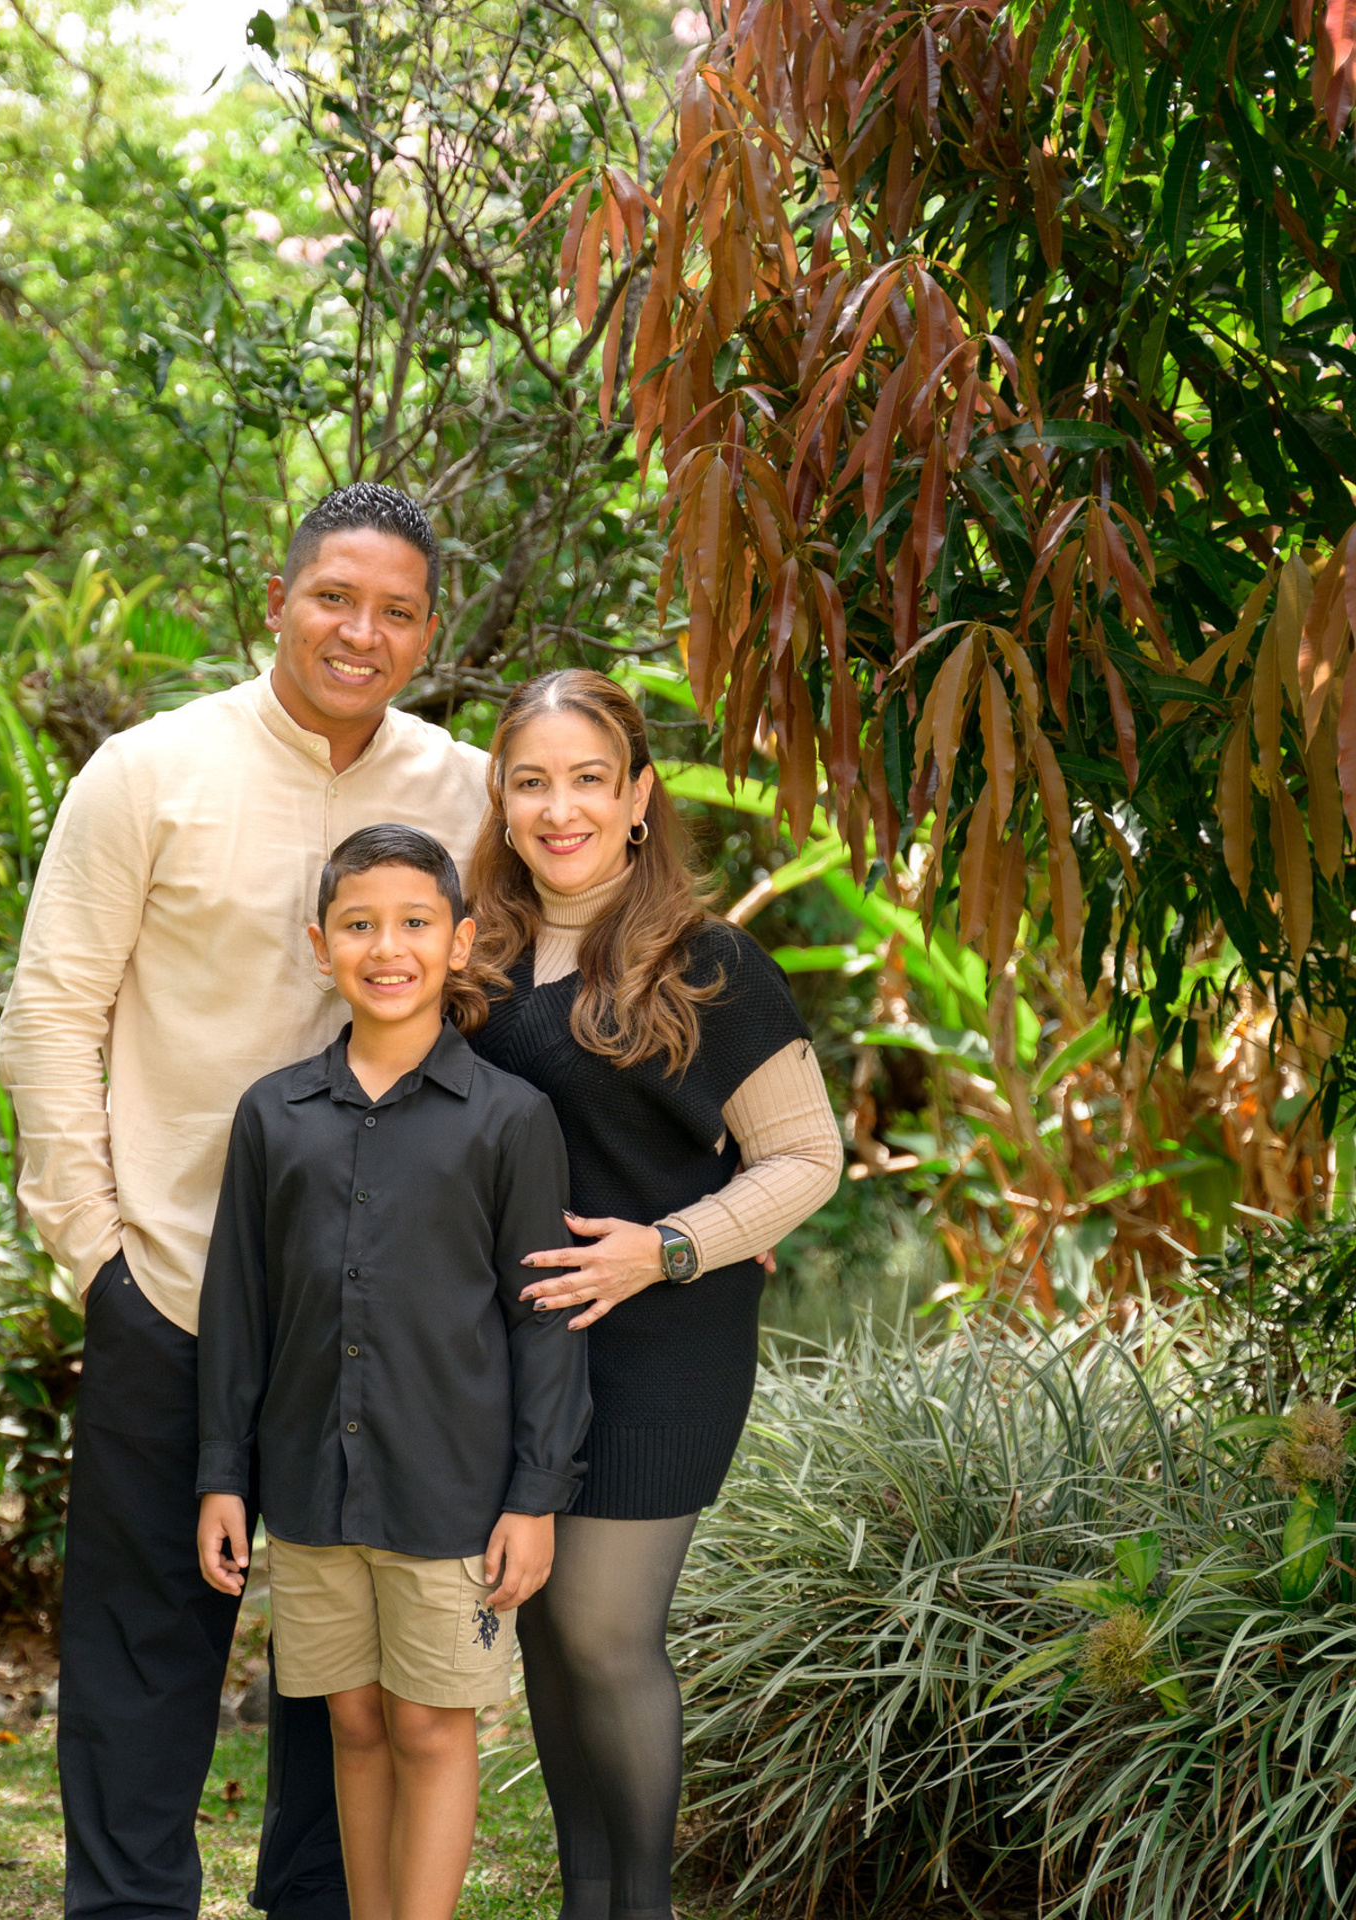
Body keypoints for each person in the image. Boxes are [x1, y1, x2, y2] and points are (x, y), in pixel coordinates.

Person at [0, 483, 489, 1920]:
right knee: (147, 1642)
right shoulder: (148, 772)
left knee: (348, 1659)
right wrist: (96, 1248)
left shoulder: (462, 790)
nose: (362, 630)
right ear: (278, 599)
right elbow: (50, 1013)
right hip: (177, 1274)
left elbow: (529, 999)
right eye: (336, 596)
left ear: (428, 633)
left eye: (397, 610)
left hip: (391, 1305)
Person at [462, 668, 843, 1920]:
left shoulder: (709, 963)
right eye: (532, 783)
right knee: (546, 1641)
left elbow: (805, 1157)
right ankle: (589, 1900)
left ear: (637, 799)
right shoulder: (479, 963)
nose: (558, 810)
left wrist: (667, 1248)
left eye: (587, 780)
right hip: (519, 1353)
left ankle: (642, 1908)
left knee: (606, 1634)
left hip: (661, 1346)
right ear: (503, 801)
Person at [196, 823, 591, 1920]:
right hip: (310, 1487)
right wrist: (224, 1475)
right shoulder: (273, 1114)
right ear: (322, 945)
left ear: (460, 941)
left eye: (416, 923)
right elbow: (240, 1302)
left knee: (427, 1724)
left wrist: (534, 1496)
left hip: (452, 1490)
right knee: (356, 1721)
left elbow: (545, 1320)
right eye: (360, 925)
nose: (389, 947)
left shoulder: (512, 1120)